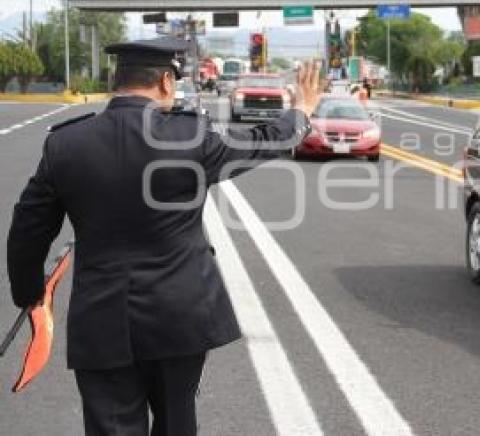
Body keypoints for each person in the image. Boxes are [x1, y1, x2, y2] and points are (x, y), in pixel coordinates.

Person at [6, 37, 322, 436]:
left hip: (101, 322)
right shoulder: (190, 137)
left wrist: (31, 293)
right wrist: (302, 113)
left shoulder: (64, 144)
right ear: (166, 83)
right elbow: (259, 143)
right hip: (180, 318)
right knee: (176, 423)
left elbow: (27, 229)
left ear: (114, 81)